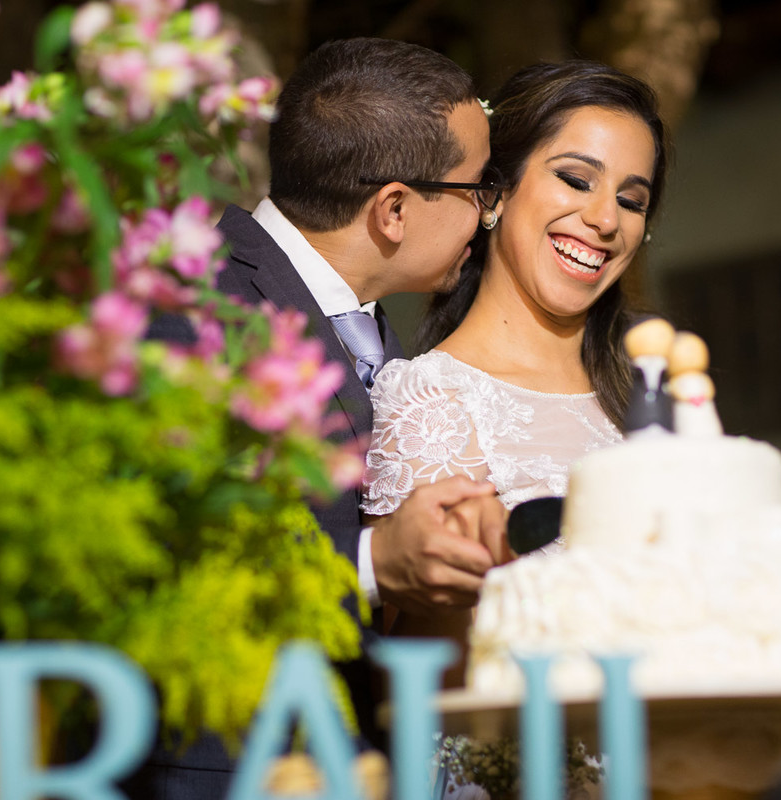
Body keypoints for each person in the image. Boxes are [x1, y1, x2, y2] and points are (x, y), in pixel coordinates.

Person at [135, 38, 510, 799]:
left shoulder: (370, 327)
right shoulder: (191, 302)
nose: (489, 213)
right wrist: (372, 563)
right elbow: (169, 539)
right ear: (395, 209)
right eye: (478, 187)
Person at [362, 60, 670, 690]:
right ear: (495, 193)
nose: (605, 220)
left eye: (631, 200)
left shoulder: (654, 396)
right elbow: (430, 683)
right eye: (576, 180)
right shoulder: (432, 399)